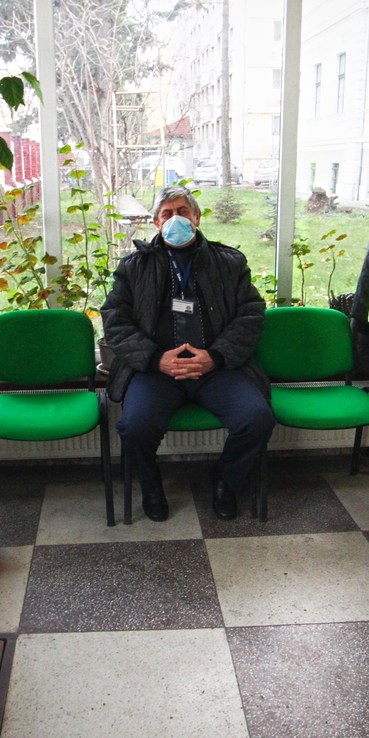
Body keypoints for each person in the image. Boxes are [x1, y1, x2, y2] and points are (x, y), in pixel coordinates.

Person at [102, 185, 274, 521]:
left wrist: (217, 357)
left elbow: (251, 313)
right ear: (155, 222)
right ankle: (151, 486)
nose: (175, 219)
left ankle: (226, 480)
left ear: (196, 217)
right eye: (167, 213)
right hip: (157, 372)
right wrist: (155, 359)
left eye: (183, 211)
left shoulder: (229, 262)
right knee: (134, 427)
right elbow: (115, 320)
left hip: (217, 369)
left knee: (257, 419)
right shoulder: (133, 266)